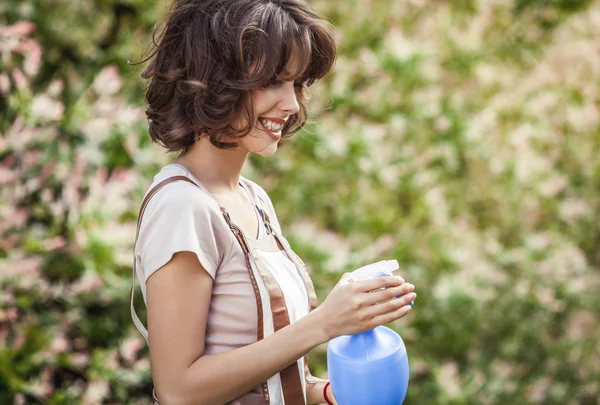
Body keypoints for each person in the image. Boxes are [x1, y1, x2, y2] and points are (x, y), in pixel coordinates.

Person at [130, 1, 417, 404]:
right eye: (272, 82)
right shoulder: (182, 206)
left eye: (297, 84)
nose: (293, 104)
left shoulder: (254, 199)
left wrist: (332, 393)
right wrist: (324, 324)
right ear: (215, 79)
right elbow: (179, 390)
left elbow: (274, 382)